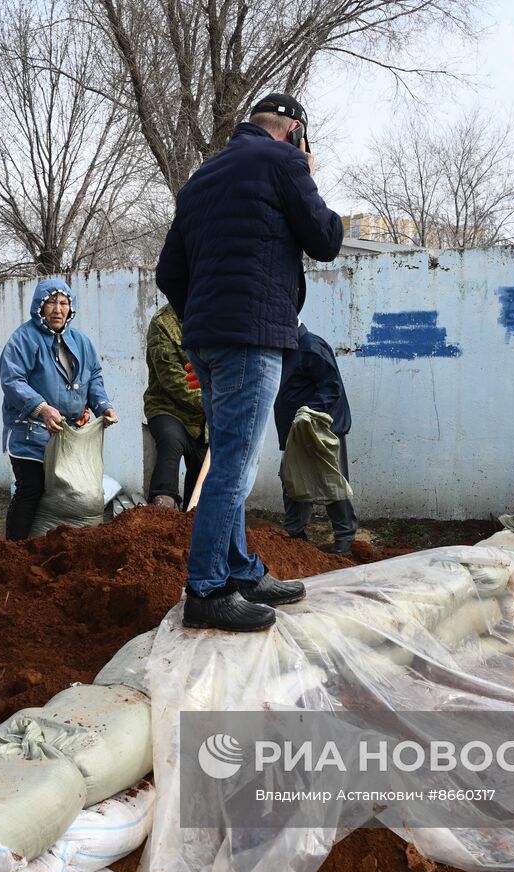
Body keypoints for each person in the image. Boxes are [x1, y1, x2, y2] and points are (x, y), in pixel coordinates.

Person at [155, 91, 345, 632]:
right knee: (234, 467)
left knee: (228, 456)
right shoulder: (283, 160)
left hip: (208, 339)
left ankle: (239, 568)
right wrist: (307, 170)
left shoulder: (200, 179)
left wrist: (207, 319)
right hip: (251, 338)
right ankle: (208, 588)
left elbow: (170, 272)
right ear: (294, 131)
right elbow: (326, 239)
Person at [0, 279, 116, 540]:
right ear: (39, 306)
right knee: (31, 488)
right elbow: (12, 380)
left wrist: (103, 406)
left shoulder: (81, 341)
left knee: (68, 491)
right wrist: (41, 408)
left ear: (70, 308)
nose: (57, 309)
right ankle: (13, 552)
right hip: (31, 435)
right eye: (51, 302)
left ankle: (56, 548)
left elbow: (94, 376)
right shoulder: (23, 339)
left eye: (63, 303)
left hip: (68, 436)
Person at [274, 322, 357, 553]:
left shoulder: (310, 346)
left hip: (321, 429)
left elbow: (332, 388)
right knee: (293, 479)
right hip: (297, 432)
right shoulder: (287, 351)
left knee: (331, 482)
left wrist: (307, 413)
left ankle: (345, 540)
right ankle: (295, 534)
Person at [144, 302, 206, 509]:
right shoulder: (162, 323)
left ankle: (193, 516)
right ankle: (163, 504)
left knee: (203, 464)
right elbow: (172, 379)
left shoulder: (214, 316)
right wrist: (213, 403)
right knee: (172, 441)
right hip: (168, 408)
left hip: (204, 419)